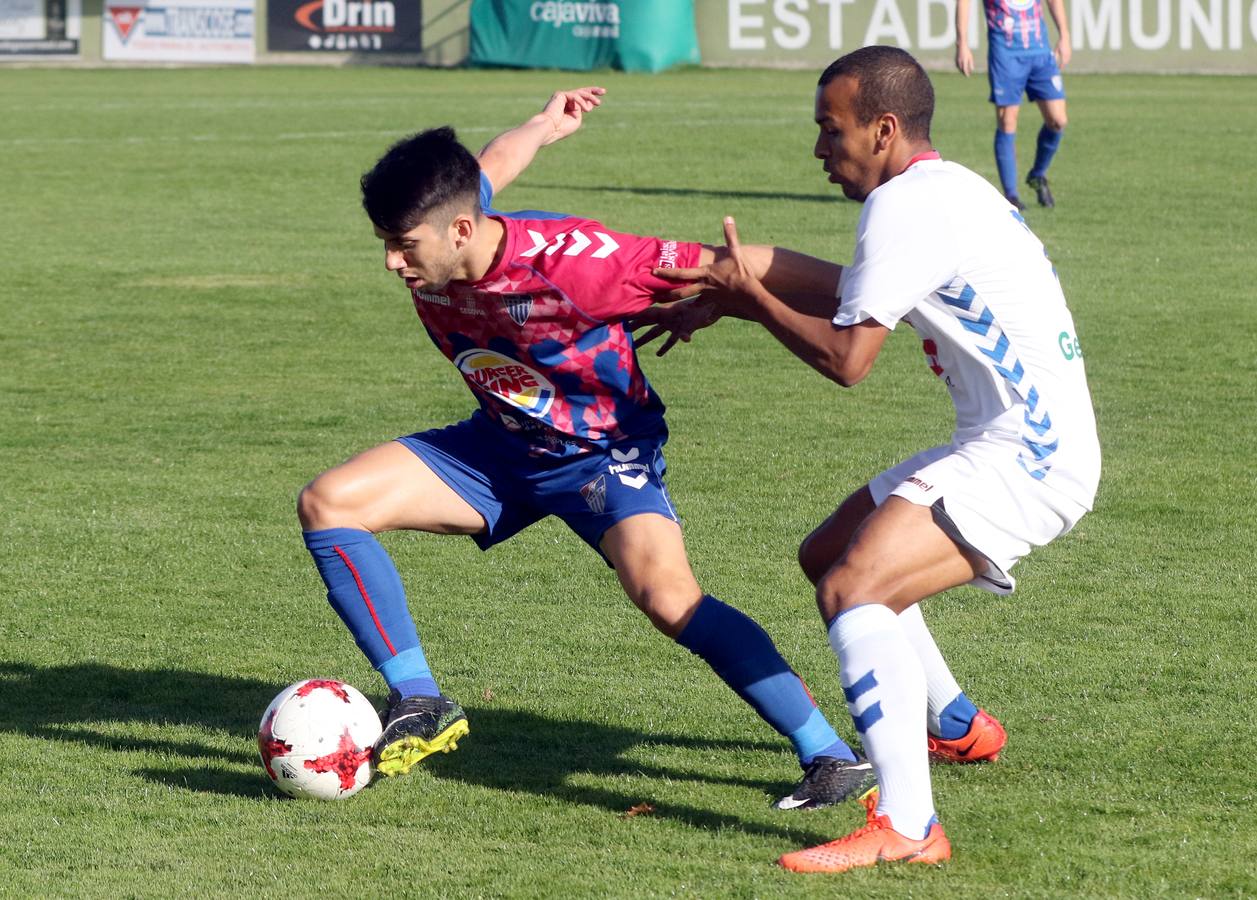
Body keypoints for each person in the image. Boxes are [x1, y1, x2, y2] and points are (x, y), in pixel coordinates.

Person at [295, 87, 878, 810]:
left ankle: (828, 754)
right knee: (329, 503)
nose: (391, 263)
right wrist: (543, 124)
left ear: (460, 230)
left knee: (668, 599)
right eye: (386, 242)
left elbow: (735, 262)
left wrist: (878, 295)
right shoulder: (452, 219)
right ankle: (420, 699)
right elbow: (491, 165)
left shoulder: (580, 265)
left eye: (402, 246)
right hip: (501, 448)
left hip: (602, 456)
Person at [640, 45, 1100, 872]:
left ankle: (909, 824)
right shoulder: (942, 188)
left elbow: (846, 360)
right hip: (1019, 441)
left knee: (854, 590)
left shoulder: (904, 209)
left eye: (831, 129)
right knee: (826, 552)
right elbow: (856, 282)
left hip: (1028, 456)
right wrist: (731, 282)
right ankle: (953, 723)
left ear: (882, 129)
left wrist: (750, 298)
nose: (820, 149)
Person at [956, 0, 1071, 209]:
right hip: (1005, 53)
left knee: (1058, 120)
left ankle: (1037, 174)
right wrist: (962, 42)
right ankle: (1011, 195)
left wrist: (1064, 35)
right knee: (1007, 120)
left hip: (1039, 52)